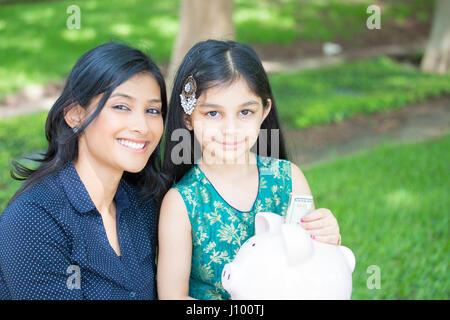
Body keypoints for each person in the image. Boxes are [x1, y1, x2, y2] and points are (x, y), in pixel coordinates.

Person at [157, 39, 341, 300]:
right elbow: (172, 297)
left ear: (264, 111)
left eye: (245, 112)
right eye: (213, 114)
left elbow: (309, 264)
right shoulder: (182, 203)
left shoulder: (287, 179)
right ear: (188, 117)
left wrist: (328, 240)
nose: (230, 129)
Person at [0, 42, 167, 299]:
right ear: (75, 114)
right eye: (121, 106)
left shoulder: (142, 203)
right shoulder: (31, 221)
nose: (142, 126)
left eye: (152, 110)